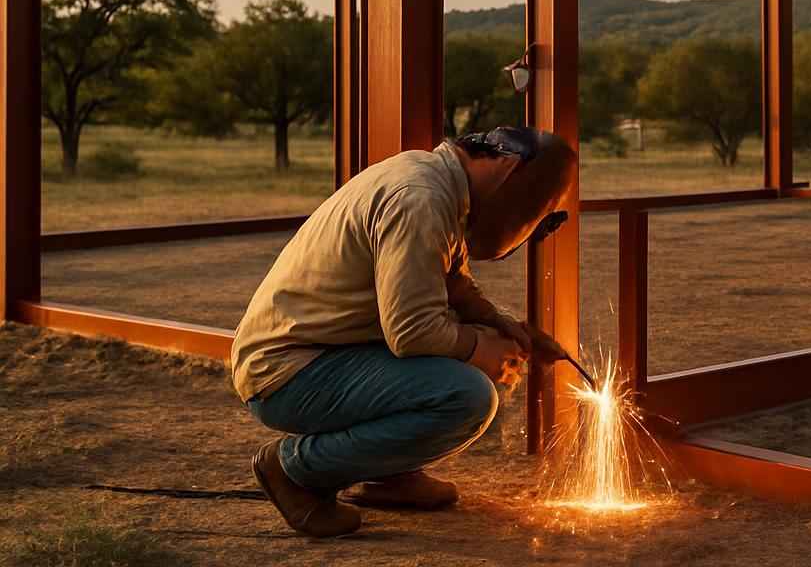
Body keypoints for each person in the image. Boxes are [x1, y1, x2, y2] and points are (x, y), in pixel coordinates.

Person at [230, 126, 577, 537]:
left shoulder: (435, 182)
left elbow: (449, 283)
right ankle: (295, 470)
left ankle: (389, 475)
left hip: (324, 353)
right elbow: (412, 330)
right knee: (467, 396)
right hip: (290, 372)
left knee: (454, 361)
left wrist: (501, 324)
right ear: (507, 168)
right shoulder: (420, 199)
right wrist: (483, 349)